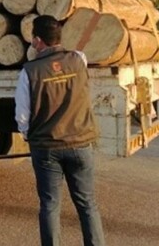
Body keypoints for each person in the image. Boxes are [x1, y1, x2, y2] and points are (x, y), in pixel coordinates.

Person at [14, 15, 105, 246]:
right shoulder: (78, 59)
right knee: (87, 204)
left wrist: (28, 135)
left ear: (37, 40)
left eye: (33, 39)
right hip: (80, 143)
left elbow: (22, 116)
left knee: (50, 205)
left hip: (47, 148)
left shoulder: (29, 71)